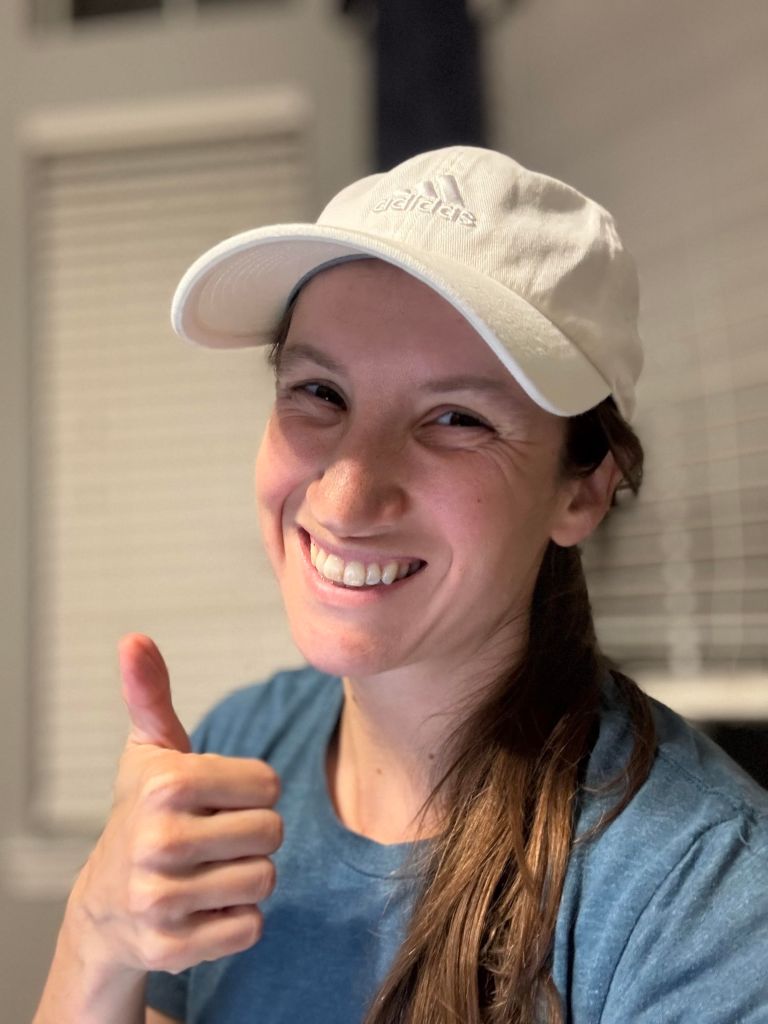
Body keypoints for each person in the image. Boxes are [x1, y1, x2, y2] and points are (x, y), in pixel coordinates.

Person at [35, 147, 768, 1024]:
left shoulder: (701, 898)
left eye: (456, 418)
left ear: (583, 491)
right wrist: (96, 934)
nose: (345, 499)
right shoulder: (240, 750)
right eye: (319, 391)